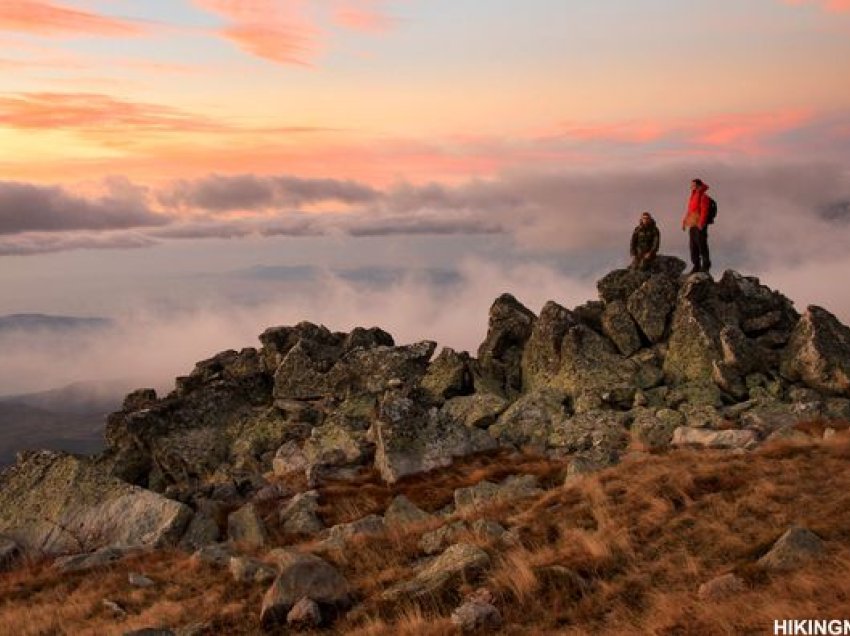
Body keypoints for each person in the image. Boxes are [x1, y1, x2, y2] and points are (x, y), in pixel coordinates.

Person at [681, 178, 711, 273]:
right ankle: (696, 265)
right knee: (693, 246)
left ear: (698, 185)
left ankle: (705, 266)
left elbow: (704, 211)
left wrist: (701, 224)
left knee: (702, 246)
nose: (691, 187)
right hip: (692, 225)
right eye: (691, 185)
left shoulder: (703, 197)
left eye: (693, 185)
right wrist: (684, 222)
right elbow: (690, 211)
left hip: (700, 225)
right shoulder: (693, 196)